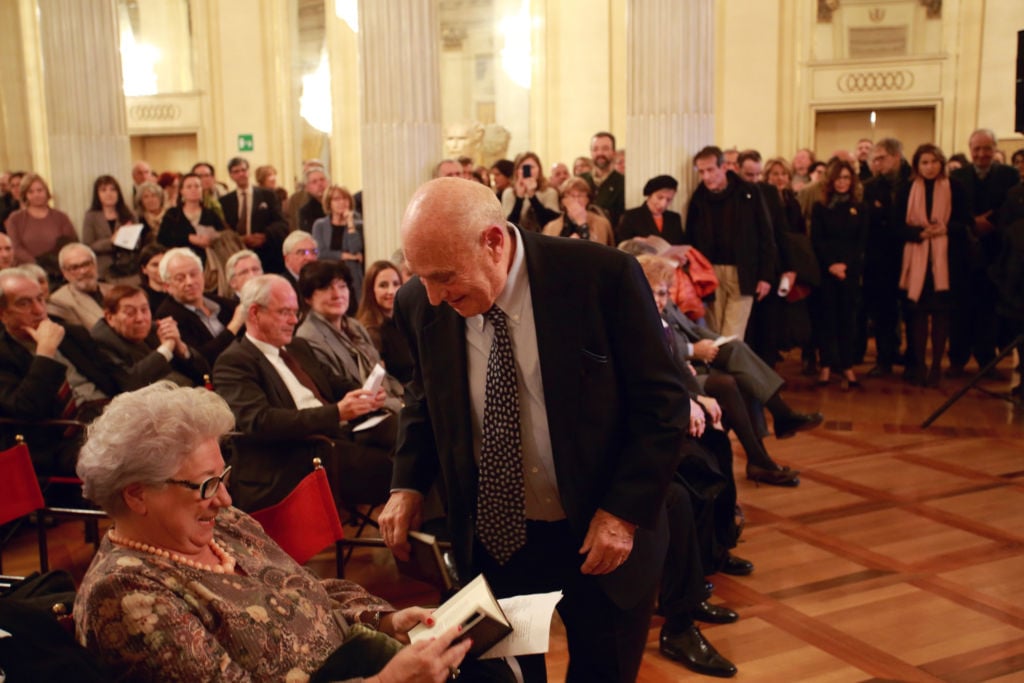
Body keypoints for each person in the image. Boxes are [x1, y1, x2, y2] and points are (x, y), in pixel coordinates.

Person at [378, 177, 689, 683]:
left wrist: (622, 515)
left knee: (601, 670)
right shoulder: (420, 301)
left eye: (444, 276)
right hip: (498, 535)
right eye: (421, 277)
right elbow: (423, 398)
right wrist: (407, 482)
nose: (433, 297)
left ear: (494, 242)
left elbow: (664, 403)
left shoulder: (600, 277)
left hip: (601, 531)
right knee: (503, 677)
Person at [74, 382, 490, 683]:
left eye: (223, 477)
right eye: (205, 485)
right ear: (137, 495)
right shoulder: (126, 592)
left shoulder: (224, 525)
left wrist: (387, 619)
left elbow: (306, 590)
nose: (223, 499)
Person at [212, 274, 393, 512]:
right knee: (397, 470)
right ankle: (414, 537)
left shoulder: (297, 347)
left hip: (333, 440)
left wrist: (364, 394)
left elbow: (333, 382)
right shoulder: (234, 361)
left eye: (295, 312)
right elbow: (260, 422)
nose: (293, 321)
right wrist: (336, 412)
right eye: (284, 312)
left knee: (410, 436)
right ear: (255, 313)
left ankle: (430, 534)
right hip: (291, 459)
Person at [0, 268, 118, 477]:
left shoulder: (72, 333)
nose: (38, 310)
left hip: (107, 418)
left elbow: (117, 379)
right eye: (24, 303)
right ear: (2, 313)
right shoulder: (4, 354)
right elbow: (25, 409)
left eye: (40, 299)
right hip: (57, 440)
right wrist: (45, 353)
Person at [948, 128, 1021, 377]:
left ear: (995, 149)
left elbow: (1010, 208)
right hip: (963, 253)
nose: (981, 154)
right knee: (960, 309)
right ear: (970, 150)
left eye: (987, 148)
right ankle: (957, 360)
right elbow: (952, 210)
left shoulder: (1009, 175)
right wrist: (973, 222)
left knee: (988, 311)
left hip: (994, 253)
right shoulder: (957, 177)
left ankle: (986, 361)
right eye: (977, 149)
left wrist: (990, 223)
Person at [898, 144, 970, 387]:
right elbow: (896, 227)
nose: (929, 167)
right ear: (917, 165)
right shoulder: (907, 188)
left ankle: (937, 365)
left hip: (945, 263)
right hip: (916, 259)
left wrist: (944, 229)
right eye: (924, 162)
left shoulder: (955, 188)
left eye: (934, 162)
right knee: (917, 314)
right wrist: (920, 233)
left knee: (941, 315)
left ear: (941, 163)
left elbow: (965, 223)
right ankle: (919, 365)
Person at [685, 145, 775, 338]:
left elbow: (765, 234)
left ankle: (731, 368)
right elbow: (691, 238)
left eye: (710, 170)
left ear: (724, 167)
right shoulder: (698, 198)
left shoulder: (749, 192)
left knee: (734, 333)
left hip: (743, 270)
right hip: (710, 271)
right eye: (701, 171)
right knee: (713, 332)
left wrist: (766, 275)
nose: (706, 176)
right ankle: (720, 369)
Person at [296, 260, 404, 414]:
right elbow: (339, 389)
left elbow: (380, 373)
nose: (337, 294)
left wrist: (403, 399)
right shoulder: (308, 336)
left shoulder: (354, 325)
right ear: (308, 297)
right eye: (326, 288)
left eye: (342, 286)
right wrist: (396, 405)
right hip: (358, 414)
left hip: (386, 402)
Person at [811, 159, 868, 389]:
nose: (842, 182)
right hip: (826, 271)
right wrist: (831, 265)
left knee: (847, 320)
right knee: (827, 320)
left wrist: (845, 265)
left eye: (846, 178)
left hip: (850, 272)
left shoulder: (860, 207)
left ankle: (847, 366)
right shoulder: (821, 207)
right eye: (838, 178)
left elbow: (861, 241)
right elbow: (817, 239)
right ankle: (825, 365)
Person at [90, 284, 210, 391]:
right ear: (110, 317)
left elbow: (205, 372)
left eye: (144, 309)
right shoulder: (102, 341)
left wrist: (181, 348)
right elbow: (130, 383)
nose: (140, 318)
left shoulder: (155, 328)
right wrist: (166, 349)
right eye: (130, 312)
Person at [861, 139, 912, 377]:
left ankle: (913, 358)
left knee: (912, 311)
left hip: (911, 254)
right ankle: (885, 358)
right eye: (874, 159)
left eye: (880, 158)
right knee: (883, 311)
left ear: (896, 157)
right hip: (880, 258)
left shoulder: (914, 183)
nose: (876, 164)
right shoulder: (870, 187)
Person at [154, 248, 245, 365]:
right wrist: (234, 326)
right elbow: (199, 357)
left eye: (193, 274)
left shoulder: (219, 301)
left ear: (202, 275)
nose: (190, 282)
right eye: (180, 278)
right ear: (167, 286)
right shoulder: (167, 315)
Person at [220, 156, 288, 275]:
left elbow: (282, 223)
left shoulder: (268, 195)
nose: (241, 174)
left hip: (267, 254)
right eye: (236, 171)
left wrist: (265, 235)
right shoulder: (225, 201)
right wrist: (240, 239)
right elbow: (224, 229)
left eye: (243, 170)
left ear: (248, 172)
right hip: (238, 253)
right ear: (231, 176)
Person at [357, 259, 414, 384]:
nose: (391, 291)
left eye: (396, 284)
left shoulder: (406, 322)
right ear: (371, 290)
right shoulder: (370, 331)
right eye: (383, 285)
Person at [4, 173, 77, 267]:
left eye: (40, 190)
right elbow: (15, 247)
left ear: (46, 192)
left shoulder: (61, 217)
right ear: (25, 195)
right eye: (30, 192)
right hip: (26, 269)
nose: (36, 195)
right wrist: (37, 263)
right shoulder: (15, 219)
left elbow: (70, 243)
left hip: (58, 269)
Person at [312, 185, 365, 312]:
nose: (342, 202)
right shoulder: (320, 225)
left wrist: (350, 224)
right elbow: (321, 253)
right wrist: (346, 256)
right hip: (327, 276)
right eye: (336, 199)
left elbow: (355, 249)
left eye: (345, 199)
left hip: (352, 278)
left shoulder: (358, 225)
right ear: (329, 203)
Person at [157, 172, 225, 264]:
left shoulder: (210, 214)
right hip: (180, 261)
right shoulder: (172, 214)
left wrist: (210, 240)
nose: (194, 189)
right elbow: (162, 238)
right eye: (189, 187)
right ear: (181, 191)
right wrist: (188, 238)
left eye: (197, 186)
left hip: (208, 262)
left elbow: (223, 235)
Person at [81, 175, 137, 279]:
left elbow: (137, 243)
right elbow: (87, 246)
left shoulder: (129, 214)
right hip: (103, 270)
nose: (109, 193)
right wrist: (111, 241)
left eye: (113, 189)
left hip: (128, 268)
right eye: (103, 190)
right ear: (97, 194)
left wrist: (127, 237)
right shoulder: (91, 216)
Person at [46, 244, 112, 329]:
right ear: (64, 273)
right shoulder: (59, 301)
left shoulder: (112, 289)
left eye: (86, 264)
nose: (83, 271)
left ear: (95, 264)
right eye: (74, 267)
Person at [541, 176, 615, 246]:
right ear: (563, 201)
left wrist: (582, 225)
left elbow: (602, 253)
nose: (576, 200)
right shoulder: (551, 227)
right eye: (571, 196)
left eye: (580, 195)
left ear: (587, 200)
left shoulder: (601, 223)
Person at [500, 152, 560, 233]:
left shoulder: (549, 192)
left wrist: (532, 196)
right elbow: (509, 226)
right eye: (523, 168)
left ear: (539, 170)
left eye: (531, 167)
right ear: (517, 171)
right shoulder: (509, 193)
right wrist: (519, 198)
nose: (528, 171)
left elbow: (550, 222)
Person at [617, 174, 685, 245]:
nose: (663, 204)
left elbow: (680, 245)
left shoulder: (674, 218)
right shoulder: (631, 216)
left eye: (668, 200)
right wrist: (633, 242)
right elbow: (621, 246)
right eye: (659, 197)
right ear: (649, 195)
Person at [581, 132, 626, 227]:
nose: (600, 153)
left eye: (605, 149)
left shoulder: (623, 183)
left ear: (613, 153)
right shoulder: (580, 180)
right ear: (591, 153)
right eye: (595, 149)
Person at [137, 243, 169, 312]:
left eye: (164, 264)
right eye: (155, 265)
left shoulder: (178, 292)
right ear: (144, 269)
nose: (161, 269)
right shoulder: (139, 296)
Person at [299, 165, 329, 232]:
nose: (320, 184)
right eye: (314, 182)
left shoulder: (338, 203)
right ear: (307, 188)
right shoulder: (306, 211)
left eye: (322, 179)